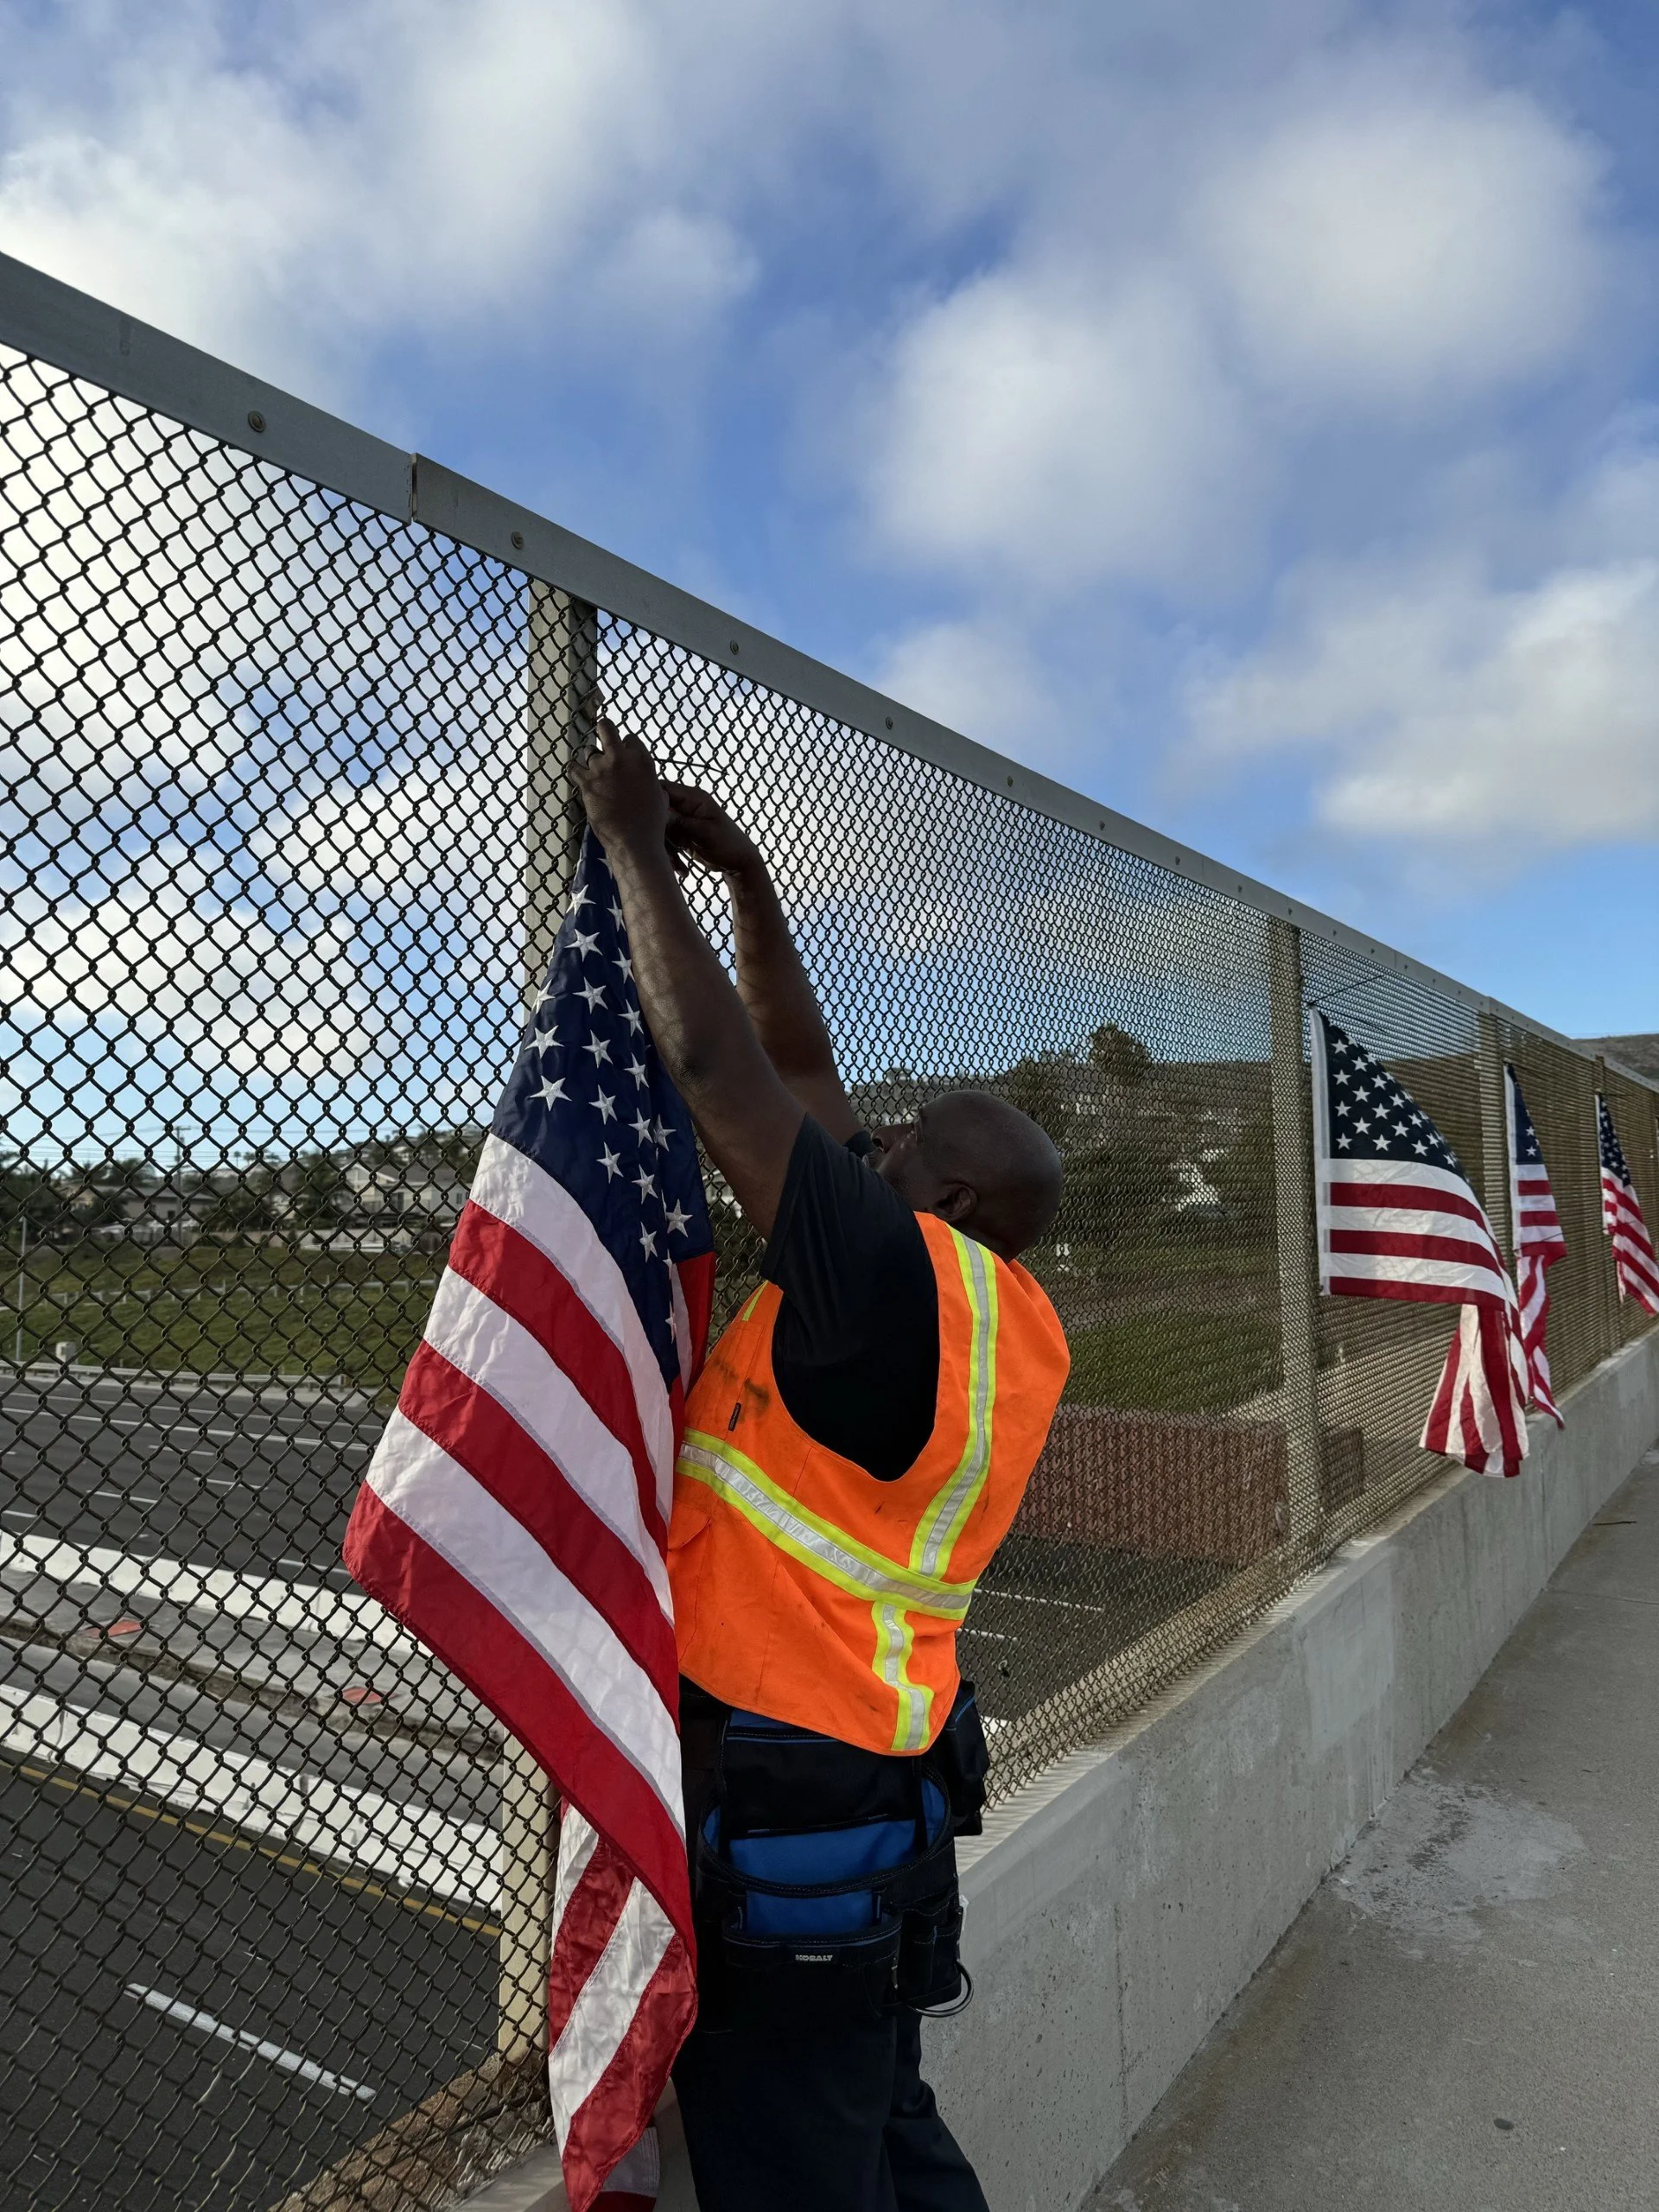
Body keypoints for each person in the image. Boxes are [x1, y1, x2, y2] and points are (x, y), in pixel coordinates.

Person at [575, 715, 1070, 2212]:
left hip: (789, 1797)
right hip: (875, 1781)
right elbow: (804, 1063)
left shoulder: (884, 1281)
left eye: (910, 1140)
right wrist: (752, 884)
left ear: (954, 1192)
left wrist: (629, 839)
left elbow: (730, 1070)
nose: (880, 1140)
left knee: (794, 2158)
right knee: (883, 2117)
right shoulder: (986, 1306)